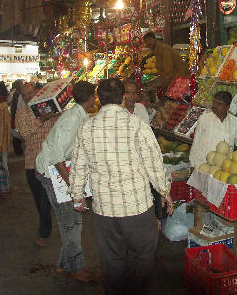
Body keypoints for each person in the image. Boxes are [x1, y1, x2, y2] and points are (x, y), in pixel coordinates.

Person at [70, 78, 173, 295]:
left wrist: (77, 194)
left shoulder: (87, 127)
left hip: (104, 210)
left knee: (112, 259)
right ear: (124, 98)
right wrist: (164, 192)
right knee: (142, 255)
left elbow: (78, 165)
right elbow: (154, 164)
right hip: (137, 208)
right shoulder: (138, 125)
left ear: (98, 99)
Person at [35, 81, 99, 283]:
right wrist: (73, 185)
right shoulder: (72, 118)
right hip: (51, 171)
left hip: (56, 171)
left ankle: (64, 264)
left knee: (69, 221)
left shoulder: (79, 115)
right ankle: (75, 268)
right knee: (71, 223)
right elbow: (56, 155)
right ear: (91, 97)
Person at [15, 82, 57, 247]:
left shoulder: (48, 107)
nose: (28, 97)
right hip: (32, 163)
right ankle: (46, 223)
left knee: (45, 199)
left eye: (31, 93)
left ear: (37, 92)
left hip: (51, 162)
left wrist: (56, 114)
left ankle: (44, 232)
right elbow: (24, 134)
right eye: (25, 95)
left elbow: (59, 125)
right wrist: (42, 119)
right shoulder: (21, 114)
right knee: (39, 200)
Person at [122, 78, 164, 229]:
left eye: (134, 93)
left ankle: (153, 225)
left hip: (145, 162)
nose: (131, 97)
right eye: (127, 93)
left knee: (151, 198)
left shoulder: (140, 109)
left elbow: (148, 134)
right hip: (128, 166)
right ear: (121, 94)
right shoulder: (118, 113)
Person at [189, 91, 237, 170]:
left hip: (224, 168)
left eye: (219, 104)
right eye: (214, 102)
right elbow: (196, 142)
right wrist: (192, 164)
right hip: (203, 166)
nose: (214, 106)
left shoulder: (234, 121)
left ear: (227, 107)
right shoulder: (204, 119)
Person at [8, 80, 26, 155]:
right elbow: (17, 108)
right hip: (17, 116)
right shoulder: (18, 94)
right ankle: (18, 151)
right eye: (21, 84)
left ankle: (19, 150)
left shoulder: (17, 94)